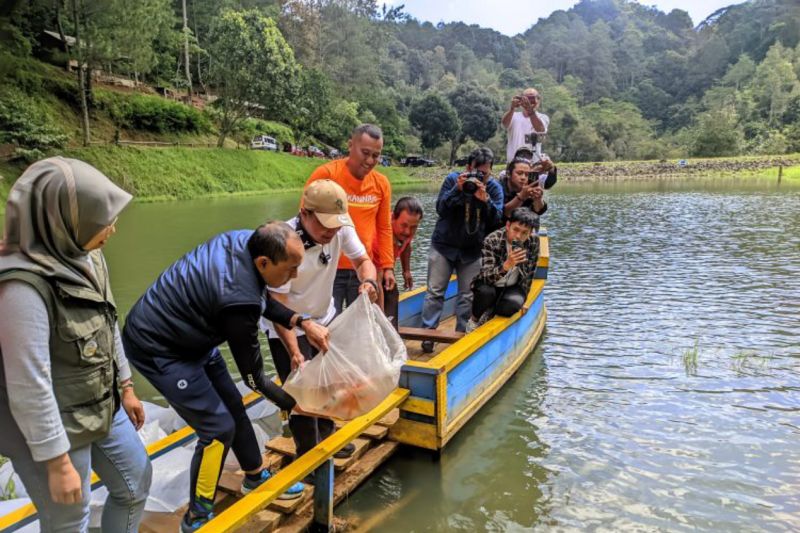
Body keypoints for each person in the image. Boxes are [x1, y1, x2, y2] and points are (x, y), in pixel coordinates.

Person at [122, 222, 330, 532]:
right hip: (159, 347)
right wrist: (292, 403)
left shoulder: (248, 241)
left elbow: (258, 297)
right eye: (291, 269)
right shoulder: (238, 301)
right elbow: (254, 378)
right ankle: (197, 516)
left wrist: (301, 321)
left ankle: (255, 474)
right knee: (217, 428)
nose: (295, 275)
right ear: (263, 262)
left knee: (233, 405)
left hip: (194, 332)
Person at [0, 157, 151, 533]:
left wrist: (127, 385)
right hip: (49, 423)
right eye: (101, 222)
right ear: (62, 222)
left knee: (135, 482)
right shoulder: (21, 286)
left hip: (98, 400)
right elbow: (27, 383)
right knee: (68, 519)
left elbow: (107, 318)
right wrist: (56, 461)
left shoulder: (86, 254)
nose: (112, 229)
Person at [263, 180, 378, 463]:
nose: (331, 232)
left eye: (336, 225)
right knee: (302, 392)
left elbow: (363, 260)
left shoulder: (341, 230)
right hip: (287, 326)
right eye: (325, 225)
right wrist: (295, 352)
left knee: (329, 385)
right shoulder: (284, 243)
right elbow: (278, 305)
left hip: (324, 317)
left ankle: (328, 438)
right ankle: (308, 456)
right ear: (305, 213)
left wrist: (369, 281)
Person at [420, 147, 504, 352]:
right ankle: (427, 335)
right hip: (444, 246)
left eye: (485, 173)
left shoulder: (493, 189)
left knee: (467, 296)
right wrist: (457, 190)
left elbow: (497, 221)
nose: (480, 177)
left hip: (472, 250)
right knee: (435, 292)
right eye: (477, 172)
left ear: (491, 171)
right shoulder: (453, 180)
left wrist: (486, 203)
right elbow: (440, 208)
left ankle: (460, 336)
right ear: (468, 167)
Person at [305, 124, 394, 314]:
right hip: (327, 267)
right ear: (350, 145)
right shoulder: (327, 175)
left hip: (363, 268)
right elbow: (305, 220)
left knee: (362, 327)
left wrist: (387, 267)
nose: (370, 160)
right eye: (365, 152)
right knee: (327, 323)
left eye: (376, 155)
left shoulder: (381, 184)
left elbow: (384, 228)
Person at [467, 207, 540, 332]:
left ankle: (491, 314)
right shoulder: (492, 240)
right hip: (490, 283)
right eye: (515, 230)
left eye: (524, 233)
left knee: (513, 304)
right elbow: (486, 277)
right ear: (508, 225)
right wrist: (506, 266)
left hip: (513, 286)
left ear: (530, 232)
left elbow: (529, 274)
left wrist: (525, 301)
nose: (518, 236)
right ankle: (474, 320)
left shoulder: (533, 242)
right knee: (485, 293)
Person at [382, 197, 424, 329]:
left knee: (392, 297)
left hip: (388, 267)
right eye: (404, 225)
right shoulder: (382, 227)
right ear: (393, 217)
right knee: (386, 296)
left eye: (413, 227)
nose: (408, 232)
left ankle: (391, 333)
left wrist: (406, 271)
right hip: (371, 266)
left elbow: (406, 245)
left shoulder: (409, 229)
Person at [501, 88, 550, 163]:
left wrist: (530, 111)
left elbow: (540, 129)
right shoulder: (513, 116)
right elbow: (504, 124)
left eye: (533, 98)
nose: (529, 102)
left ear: (538, 101)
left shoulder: (543, 117)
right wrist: (512, 108)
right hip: (513, 163)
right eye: (527, 98)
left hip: (533, 164)